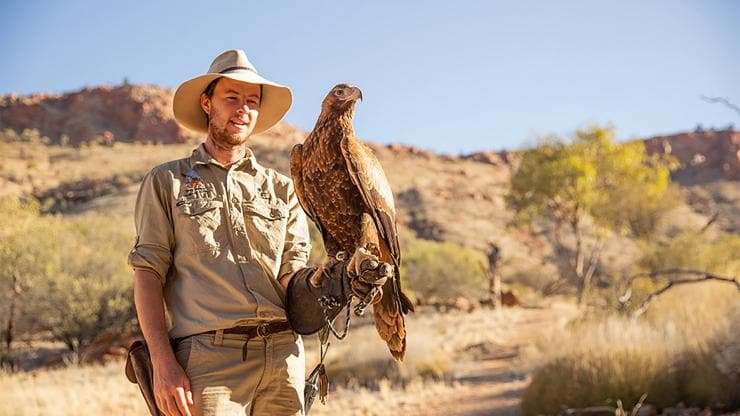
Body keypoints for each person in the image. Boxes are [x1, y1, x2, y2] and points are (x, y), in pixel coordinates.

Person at [129, 49, 386, 416]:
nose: (243, 109)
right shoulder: (167, 181)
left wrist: (336, 279)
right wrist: (163, 364)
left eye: (252, 101)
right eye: (231, 98)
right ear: (206, 103)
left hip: (284, 357)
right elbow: (147, 274)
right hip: (209, 359)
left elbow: (290, 277)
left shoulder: (283, 188)